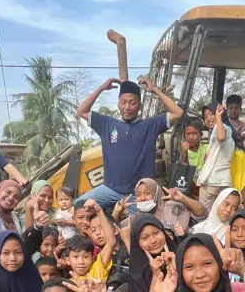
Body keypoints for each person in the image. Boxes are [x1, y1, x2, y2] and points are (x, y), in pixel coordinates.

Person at [76, 77, 183, 210]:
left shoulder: (150, 125)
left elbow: (178, 112)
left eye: (132, 103)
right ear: (118, 104)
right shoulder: (106, 124)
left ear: (139, 106)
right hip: (109, 190)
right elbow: (81, 111)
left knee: (140, 222)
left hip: (138, 195)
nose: (127, 107)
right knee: (78, 206)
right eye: (123, 102)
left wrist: (155, 90)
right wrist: (102, 88)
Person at [114, 178, 205, 236]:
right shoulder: (135, 218)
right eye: (138, 195)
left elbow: (202, 214)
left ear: (156, 194)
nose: (142, 198)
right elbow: (112, 232)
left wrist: (183, 199)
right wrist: (117, 213)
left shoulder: (173, 207)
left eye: (147, 193)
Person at [125, 214, 176, 292]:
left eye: (156, 233)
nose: (153, 241)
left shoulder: (181, 255)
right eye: (145, 238)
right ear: (138, 243)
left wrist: (175, 268)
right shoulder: (137, 271)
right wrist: (156, 276)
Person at [64, 201, 115, 282]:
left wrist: (99, 211)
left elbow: (111, 242)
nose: (81, 262)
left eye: (86, 257)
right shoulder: (68, 284)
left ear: (92, 259)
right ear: (67, 260)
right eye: (76, 257)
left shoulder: (97, 269)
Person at [198, 103, 236, 210]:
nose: (208, 118)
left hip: (213, 180)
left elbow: (221, 137)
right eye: (205, 117)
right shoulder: (227, 130)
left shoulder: (220, 128)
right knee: (221, 212)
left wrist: (218, 117)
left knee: (203, 212)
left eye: (211, 114)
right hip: (223, 179)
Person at [225, 94, 245, 191]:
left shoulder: (243, 126)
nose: (234, 110)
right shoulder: (223, 124)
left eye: (236, 108)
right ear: (227, 109)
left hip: (238, 155)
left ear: (241, 109)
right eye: (231, 108)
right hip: (226, 155)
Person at [180, 117, 208, 185]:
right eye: (188, 134)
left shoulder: (207, 149)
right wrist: (184, 154)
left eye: (195, 133)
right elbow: (181, 173)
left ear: (201, 135)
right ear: (184, 135)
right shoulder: (181, 150)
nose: (191, 137)